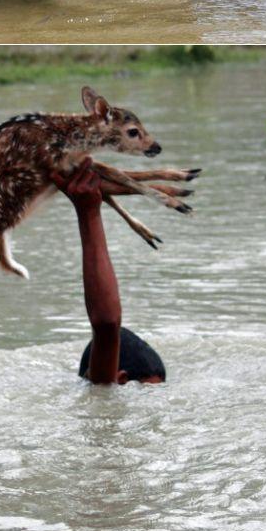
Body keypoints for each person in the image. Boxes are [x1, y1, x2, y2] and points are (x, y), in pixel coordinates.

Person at [74, 163, 166, 384]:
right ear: (121, 379)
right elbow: (107, 325)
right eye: (148, 392)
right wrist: (88, 212)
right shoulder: (104, 389)